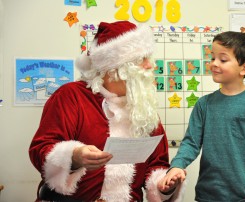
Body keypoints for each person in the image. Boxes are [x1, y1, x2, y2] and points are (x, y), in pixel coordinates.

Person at [29, 21, 185, 202]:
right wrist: (74, 157)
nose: (150, 66)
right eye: (141, 59)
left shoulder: (144, 107)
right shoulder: (71, 96)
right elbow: (41, 149)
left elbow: (157, 163)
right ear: (115, 68)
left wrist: (164, 184)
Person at [158, 31, 245, 202]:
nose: (214, 63)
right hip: (207, 197)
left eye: (223, 59)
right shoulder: (203, 104)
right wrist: (177, 166)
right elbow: (191, 143)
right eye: (212, 57)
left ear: (244, 68)